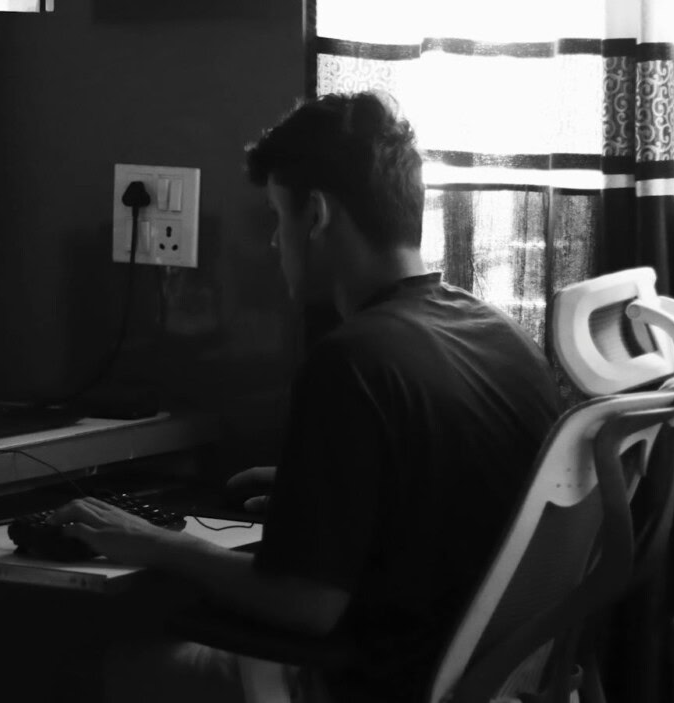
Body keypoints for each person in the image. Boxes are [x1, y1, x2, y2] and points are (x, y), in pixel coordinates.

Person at [47, 91, 564, 703]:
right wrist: (324, 499)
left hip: (380, 678)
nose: (273, 243)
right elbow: (445, 492)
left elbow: (306, 604)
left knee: (107, 668)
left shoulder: (354, 359)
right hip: (493, 677)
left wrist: (157, 543)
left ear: (315, 215)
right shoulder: (497, 331)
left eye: (277, 217)